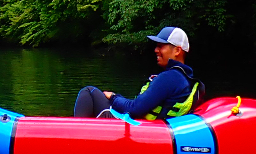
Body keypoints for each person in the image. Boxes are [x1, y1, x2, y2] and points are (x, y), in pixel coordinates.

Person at [73, 26, 202, 120]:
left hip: (138, 129)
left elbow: (134, 109)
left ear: (177, 50)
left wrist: (113, 97)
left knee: (89, 93)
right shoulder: (185, 79)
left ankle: (75, 142)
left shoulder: (171, 78)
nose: (156, 50)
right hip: (154, 127)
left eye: (161, 46)